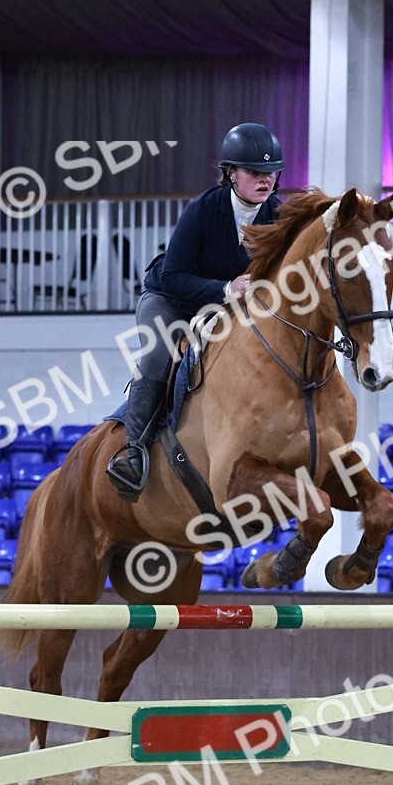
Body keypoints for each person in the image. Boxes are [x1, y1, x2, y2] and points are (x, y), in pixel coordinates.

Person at [107, 122, 284, 501]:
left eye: (271, 173)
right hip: (173, 300)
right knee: (157, 356)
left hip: (230, 307)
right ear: (231, 174)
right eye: (254, 172)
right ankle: (133, 450)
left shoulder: (277, 215)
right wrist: (225, 288)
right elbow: (172, 276)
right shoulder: (203, 210)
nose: (265, 180)